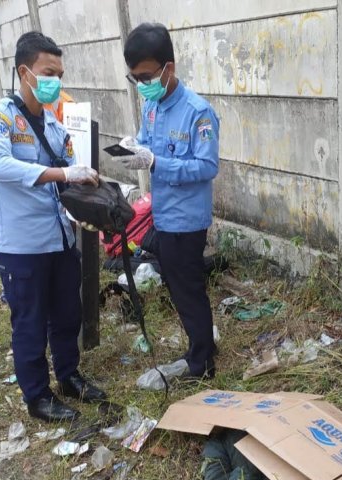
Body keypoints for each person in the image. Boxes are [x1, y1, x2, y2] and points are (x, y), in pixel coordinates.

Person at [0, 31, 106, 423]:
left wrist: (87, 187)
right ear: (24, 71)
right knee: (29, 322)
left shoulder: (52, 121)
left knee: (67, 314)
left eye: (60, 73)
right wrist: (62, 172)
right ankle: (37, 396)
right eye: (49, 72)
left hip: (60, 237)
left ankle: (68, 375)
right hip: (20, 244)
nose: (56, 80)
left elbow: (67, 170)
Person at [114, 23, 220, 379]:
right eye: (136, 79)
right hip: (162, 213)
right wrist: (135, 147)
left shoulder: (197, 112)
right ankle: (199, 347)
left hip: (187, 219)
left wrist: (157, 162)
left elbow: (207, 166)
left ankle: (202, 362)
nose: (142, 85)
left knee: (188, 288)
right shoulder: (152, 105)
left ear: (168, 68)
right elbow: (147, 141)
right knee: (178, 285)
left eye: (146, 76)